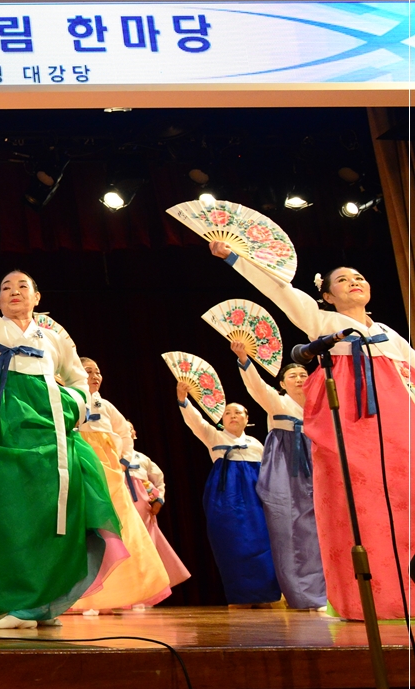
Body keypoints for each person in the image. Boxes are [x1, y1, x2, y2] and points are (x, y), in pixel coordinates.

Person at [0, 212, 123, 630]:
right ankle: (5, 603)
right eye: (5, 288)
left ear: (37, 297)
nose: (13, 291)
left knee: (45, 512)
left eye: (22, 286)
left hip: (46, 426)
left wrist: (69, 404)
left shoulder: (54, 338)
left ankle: (43, 601)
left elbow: (77, 379)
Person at [213, 244, 411, 620]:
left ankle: (409, 593)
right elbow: (281, 291)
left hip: (399, 432)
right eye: (342, 279)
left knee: (405, 508)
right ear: (326, 295)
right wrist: (234, 257)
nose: (354, 282)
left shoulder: (392, 337)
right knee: (361, 512)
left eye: (359, 277)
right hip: (354, 432)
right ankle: (368, 599)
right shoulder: (324, 324)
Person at [231, 339, 326, 610]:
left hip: (319, 461)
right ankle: (304, 594)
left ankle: (332, 591)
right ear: (282, 384)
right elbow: (256, 386)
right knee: (290, 528)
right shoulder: (277, 402)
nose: (298, 379)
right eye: (292, 376)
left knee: (323, 526)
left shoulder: (320, 404)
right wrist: (245, 360)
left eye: (303, 375)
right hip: (287, 465)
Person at [72, 358, 171, 613]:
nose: (95, 375)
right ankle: (87, 596)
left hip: (109, 468)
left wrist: (124, 460)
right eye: (88, 371)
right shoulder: (68, 399)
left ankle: (127, 592)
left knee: (120, 526)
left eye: (98, 371)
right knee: (87, 526)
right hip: (81, 463)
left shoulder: (105, 405)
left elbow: (124, 431)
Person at [176, 382, 280, 605]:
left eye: (238, 412)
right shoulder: (214, 437)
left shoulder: (256, 444)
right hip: (225, 497)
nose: (233, 416)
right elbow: (196, 422)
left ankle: (266, 595)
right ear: (221, 418)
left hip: (255, 498)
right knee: (231, 544)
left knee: (261, 542)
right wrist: (183, 399)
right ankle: (239, 596)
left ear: (246, 417)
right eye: (228, 413)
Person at [121, 424, 191, 601]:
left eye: (128, 429)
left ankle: (142, 595)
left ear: (133, 434)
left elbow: (159, 482)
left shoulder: (143, 459)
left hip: (142, 509)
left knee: (143, 549)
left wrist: (159, 500)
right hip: (120, 506)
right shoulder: (110, 456)